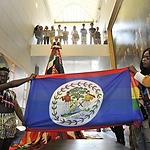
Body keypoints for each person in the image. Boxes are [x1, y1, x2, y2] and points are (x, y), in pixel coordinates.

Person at [0, 67, 36, 150]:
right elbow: (10, 84)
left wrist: (23, 120)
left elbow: (17, 108)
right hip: (0, 119)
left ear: (8, 77)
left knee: (7, 143)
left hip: (11, 119)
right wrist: (28, 79)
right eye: (1, 75)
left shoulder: (11, 93)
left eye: (5, 76)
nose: (3, 78)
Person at [129, 48, 150, 150]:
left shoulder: (140, 75)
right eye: (143, 57)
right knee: (139, 139)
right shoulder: (139, 75)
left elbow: (147, 82)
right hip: (140, 111)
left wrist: (134, 71)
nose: (144, 60)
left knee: (148, 138)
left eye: (148, 58)